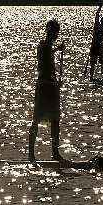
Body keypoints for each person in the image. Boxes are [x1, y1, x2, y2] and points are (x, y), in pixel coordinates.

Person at [28, 19, 66, 163]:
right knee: (36, 120)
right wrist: (56, 49)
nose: (54, 35)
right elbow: (46, 51)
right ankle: (31, 155)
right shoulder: (42, 45)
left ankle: (55, 153)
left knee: (55, 120)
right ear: (48, 32)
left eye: (55, 33)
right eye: (52, 32)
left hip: (52, 87)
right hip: (44, 87)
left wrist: (57, 49)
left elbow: (50, 51)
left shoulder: (48, 46)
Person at [89, 4, 103, 81]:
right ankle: (93, 77)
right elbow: (97, 15)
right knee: (95, 63)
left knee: (102, 63)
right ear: (102, 21)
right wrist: (100, 7)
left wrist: (100, 8)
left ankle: (101, 77)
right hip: (96, 47)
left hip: (98, 46)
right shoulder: (98, 26)